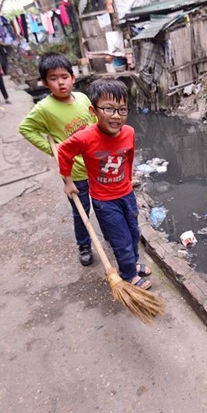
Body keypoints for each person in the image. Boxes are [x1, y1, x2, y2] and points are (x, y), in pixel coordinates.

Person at [57, 79, 152, 289]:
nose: (116, 115)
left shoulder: (129, 132)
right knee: (121, 240)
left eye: (121, 109)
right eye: (108, 109)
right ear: (93, 111)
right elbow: (64, 152)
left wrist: (128, 177)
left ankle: (132, 265)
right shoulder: (85, 137)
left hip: (126, 194)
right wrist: (69, 181)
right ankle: (128, 275)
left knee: (134, 233)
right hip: (105, 201)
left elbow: (129, 155)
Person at [18, 52, 98, 266]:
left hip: (96, 164)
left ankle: (109, 236)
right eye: (53, 78)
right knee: (81, 210)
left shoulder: (82, 98)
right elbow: (26, 129)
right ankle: (84, 245)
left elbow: (95, 122)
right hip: (74, 171)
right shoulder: (44, 109)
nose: (60, 82)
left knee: (103, 205)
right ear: (44, 82)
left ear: (73, 77)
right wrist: (53, 150)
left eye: (64, 76)